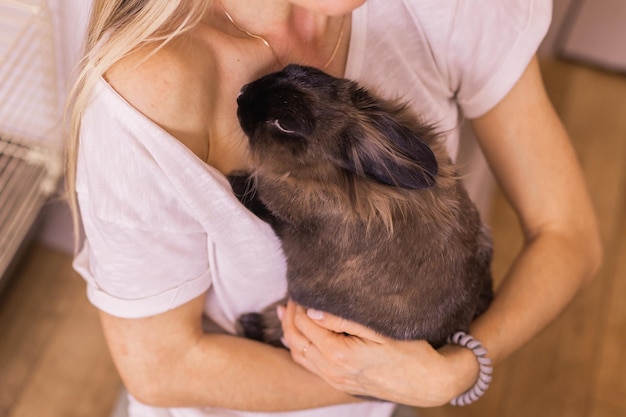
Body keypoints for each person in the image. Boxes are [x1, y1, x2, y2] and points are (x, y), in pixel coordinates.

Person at [65, 0, 602, 416]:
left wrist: (456, 371)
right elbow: (161, 364)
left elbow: (568, 232)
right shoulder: (150, 90)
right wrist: (386, 378)